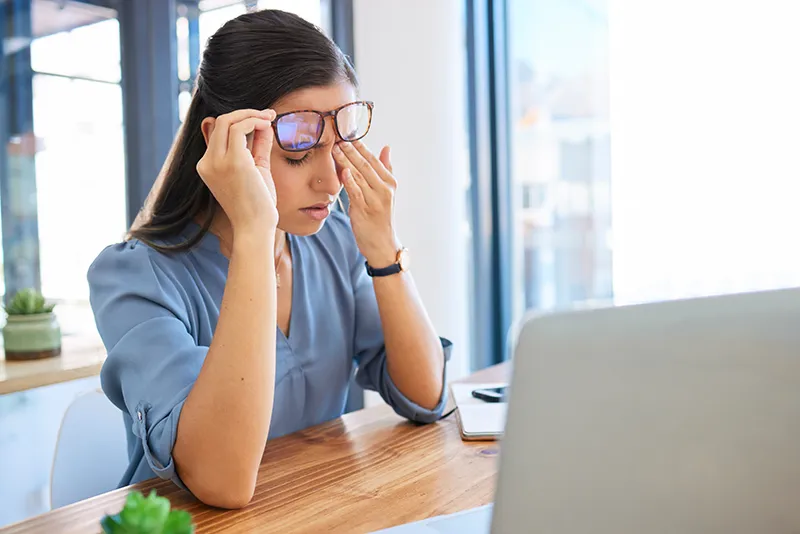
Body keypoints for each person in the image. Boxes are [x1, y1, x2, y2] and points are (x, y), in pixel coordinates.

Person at [87, 9, 451, 509]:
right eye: (299, 154)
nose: (331, 181)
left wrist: (383, 249)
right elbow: (222, 482)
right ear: (223, 143)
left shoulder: (335, 242)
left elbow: (426, 397)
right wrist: (255, 233)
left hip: (317, 511)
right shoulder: (133, 278)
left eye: (340, 147)